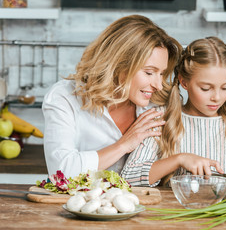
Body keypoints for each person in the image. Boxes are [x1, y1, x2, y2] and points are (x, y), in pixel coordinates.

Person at [121, 36, 226, 187]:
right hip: (177, 218)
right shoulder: (160, 120)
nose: (217, 97)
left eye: (225, 87)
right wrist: (179, 159)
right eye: (205, 88)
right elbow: (128, 178)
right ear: (184, 82)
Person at [42, 15, 182, 178]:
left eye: (162, 73)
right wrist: (123, 145)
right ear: (118, 65)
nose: (158, 85)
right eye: (149, 72)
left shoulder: (156, 105)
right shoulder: (65, 97)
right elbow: (61, 171)